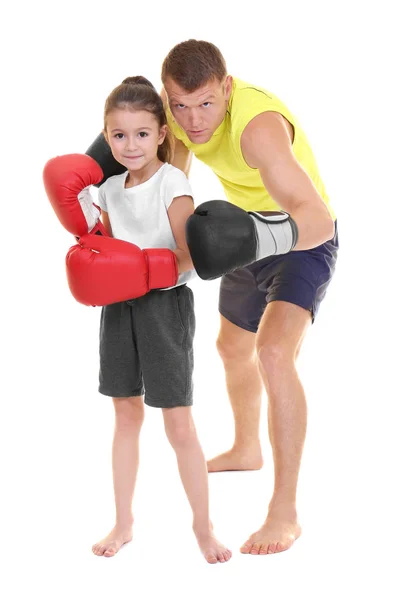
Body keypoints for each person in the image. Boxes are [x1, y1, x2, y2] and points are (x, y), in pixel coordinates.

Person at [160, 40, 339, 555]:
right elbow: (172, 189)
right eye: (180, 105)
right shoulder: (179, 120)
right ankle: (245, 447)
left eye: (207, 104)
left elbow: (317, 218)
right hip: (244, 233)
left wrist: (248, 240)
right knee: (231, 347)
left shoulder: (257, 128)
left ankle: (284, 512)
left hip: (298, 238)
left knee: (274, 351)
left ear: (228, 88)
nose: (194, 121)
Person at [80, 76, 232, 563]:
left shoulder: (173, 182)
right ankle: (123, 523)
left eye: (142, 134)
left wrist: (147, 268)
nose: (130, 145)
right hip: (118, 306)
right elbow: (90, 240)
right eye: (119, 135)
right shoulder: (105, 189)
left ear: (162, 134)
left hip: (164, 305)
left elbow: (188, 255)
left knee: (178, 424)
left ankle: (204, 527)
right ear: (107, 136)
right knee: (125, 415)